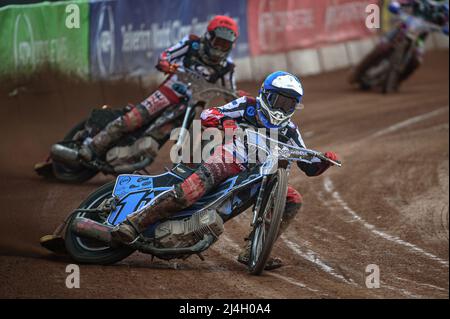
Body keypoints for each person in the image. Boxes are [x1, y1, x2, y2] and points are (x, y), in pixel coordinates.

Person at [110, 71, 340, 270]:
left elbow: (308, 165)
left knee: (293, 199)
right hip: (230, 158)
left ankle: (253, 250)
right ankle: (133, 223)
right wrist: (225, 122)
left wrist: (324, 162)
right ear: (266, 95)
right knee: (192, 190)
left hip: (261, 178)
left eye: (288, 104)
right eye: (278, 100)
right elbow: (208, 114)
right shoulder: (248, 106)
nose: (282, 108)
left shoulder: (290, 130)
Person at [79, 15, 241, 162]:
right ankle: (92, 146)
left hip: (193, 106)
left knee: (166, 132)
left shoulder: (227, 68)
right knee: (133, 119)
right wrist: (165, 63)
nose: (220, 48)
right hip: (170, 92)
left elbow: (231, 95)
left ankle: (137, 153)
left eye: (225, 44)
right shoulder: (192, 44)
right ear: (209, 36)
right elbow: (166, 55)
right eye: (218, 42)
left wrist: (240, 104)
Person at [349, 0, 448, 85]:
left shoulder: (445, 5)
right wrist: (397, 6)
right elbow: (404, 3)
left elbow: (446, 20)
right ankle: (358, 71)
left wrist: (444, 27)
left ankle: (397, 81)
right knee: (382, 46)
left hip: (420, 36)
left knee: (416, 61)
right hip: (407, 25)